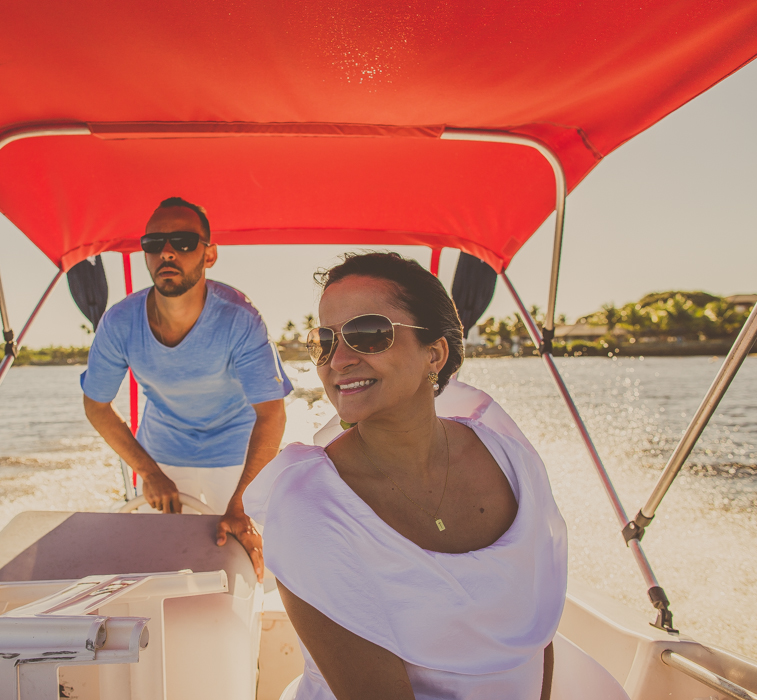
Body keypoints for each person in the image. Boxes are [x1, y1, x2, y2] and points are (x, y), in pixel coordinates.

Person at [243, 252, 568, 699]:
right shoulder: (308, 505)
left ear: (435, 353)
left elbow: (539, 633)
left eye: (367, 334)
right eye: (325, 341)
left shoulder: (513, 462)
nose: (338, 360)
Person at [81, 197, 291, 581]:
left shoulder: (240, 319)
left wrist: (240, 504)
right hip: (161, 453)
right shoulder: (119, 323)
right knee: (160, 566)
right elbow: (96, 406)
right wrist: (149, 472)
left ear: (209, 255)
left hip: (236, 454)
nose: (167, 252)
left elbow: (272, 413)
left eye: (183, 241)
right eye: (154, 243)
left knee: (241, 565)